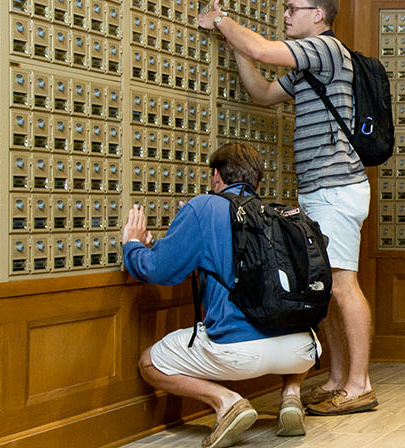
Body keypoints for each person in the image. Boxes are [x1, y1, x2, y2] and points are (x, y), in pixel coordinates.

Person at [197, 0, 376, 416]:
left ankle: (359, 384)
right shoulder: (307, 68)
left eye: (293, 9)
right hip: (319, 190)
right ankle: (337, 378)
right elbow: (262, 92)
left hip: (336, 188)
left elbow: (263, 50)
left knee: (342, 284)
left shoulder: (326, 49)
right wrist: (233, 43)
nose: (285, 15)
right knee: (327, 285)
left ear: (318, 16)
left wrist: (220, 20)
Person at [122, 143, 319, 448]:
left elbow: (158, 270)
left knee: (150, 362)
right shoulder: (279, 214)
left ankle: (226, 402)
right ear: (257, 181)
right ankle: (291, 396)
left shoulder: (203, 208)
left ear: (216, 176)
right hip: (302, 349)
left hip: (236, 349)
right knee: (296, 326)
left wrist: (134, 245)